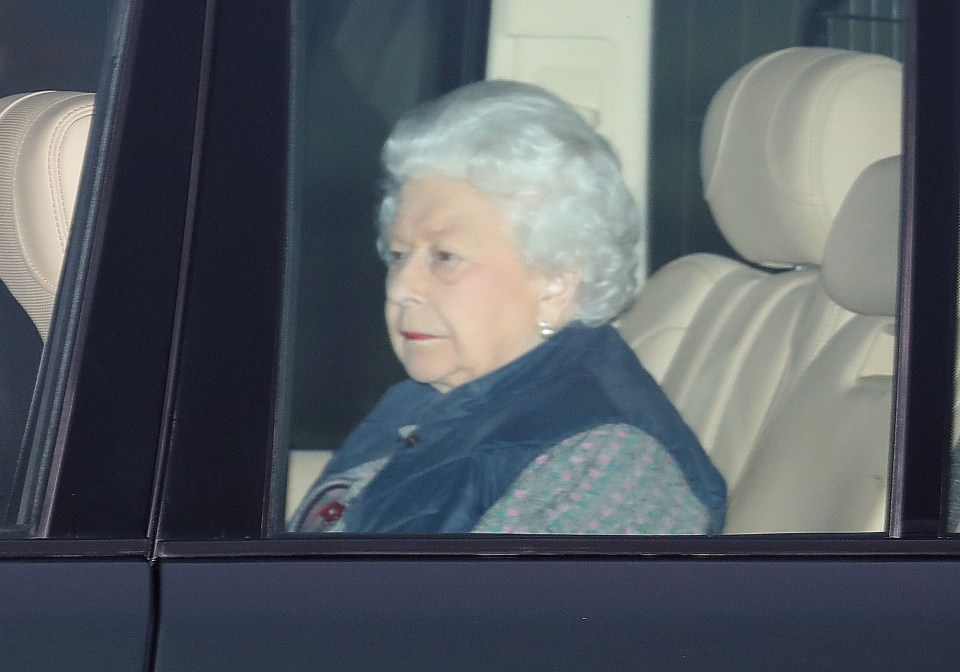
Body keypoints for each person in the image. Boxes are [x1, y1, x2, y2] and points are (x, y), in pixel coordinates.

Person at [290, 80, 726, 534]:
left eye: (446, 257)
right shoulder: (418, 400)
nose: (402, 287)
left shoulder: (602, 460)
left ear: (555, 283)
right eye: (399, 254)